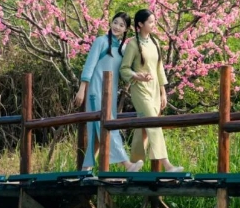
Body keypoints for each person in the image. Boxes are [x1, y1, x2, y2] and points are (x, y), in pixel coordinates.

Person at [74, 12, 144, 172]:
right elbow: (90, 65)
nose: (117, 27)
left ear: (126, 29)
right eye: (115, 22)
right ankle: (127, 164)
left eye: (121, 25)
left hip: (110, 95)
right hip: (95, 91)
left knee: (99, 132)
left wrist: (137, 76)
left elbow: (125, 72)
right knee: (108, 126)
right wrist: (82, 89)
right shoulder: (101, 41)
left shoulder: (123, 49)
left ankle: (85, 169)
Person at [120, 9, 183, 172]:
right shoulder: (133, 44)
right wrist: (137, 76)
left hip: (155, 90)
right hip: (140, 90)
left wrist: (163, 93)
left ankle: (134, 163)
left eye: (154, 21)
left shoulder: (154, 42)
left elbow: (159, 69)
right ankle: (167, 164)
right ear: (140, 24)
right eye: (150, 22)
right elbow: (124, 69)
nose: (153, 25)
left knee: (143, 126)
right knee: (154, 124)